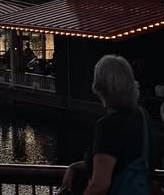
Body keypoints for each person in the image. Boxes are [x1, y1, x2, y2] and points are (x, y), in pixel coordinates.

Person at [59, 55, 154, 195]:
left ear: (101, 87)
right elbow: (122, 161)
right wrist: (74, 167)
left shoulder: (108, 125)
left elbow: (100, 184)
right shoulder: (143, 116)